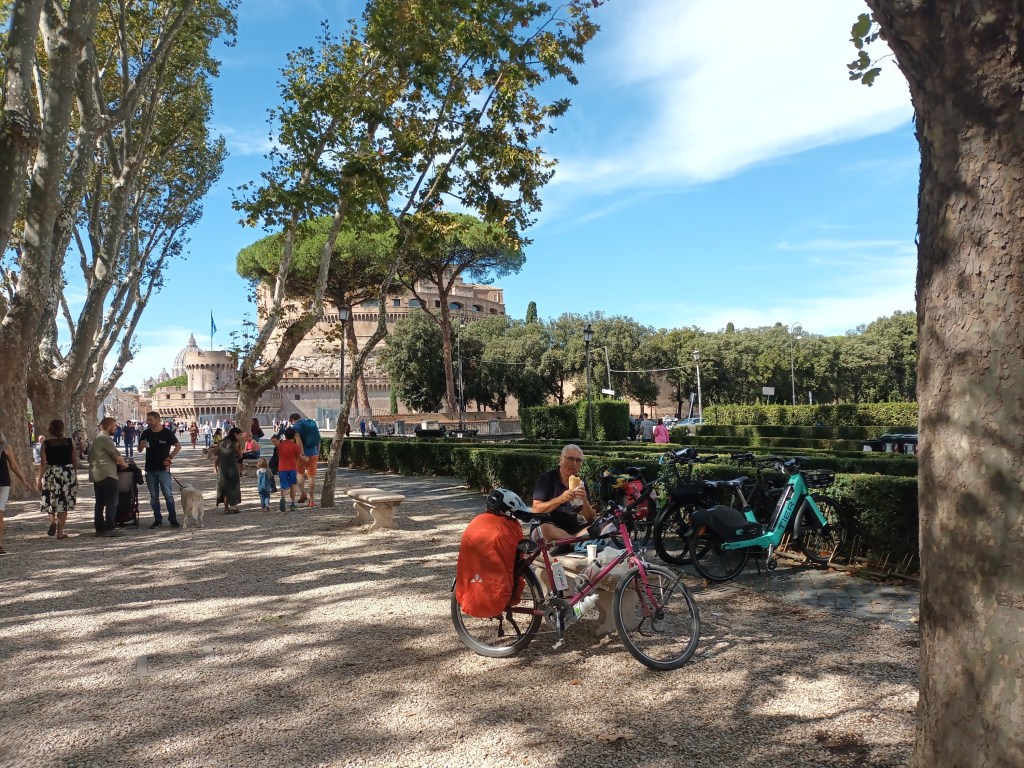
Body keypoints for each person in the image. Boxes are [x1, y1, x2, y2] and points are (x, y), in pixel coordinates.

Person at [531, 443, 596, 542]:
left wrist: (584, 500)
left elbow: (590, 518)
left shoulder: (580, 483)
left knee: (596, 525)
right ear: (561, 460)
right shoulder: (546, 479)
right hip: (548, 529)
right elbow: (536, 510)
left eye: (578, 460)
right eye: (570, 459)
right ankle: (574, 542)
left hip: (572, 530)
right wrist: (560, 499)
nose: (574, 463)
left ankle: (570, 541)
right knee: (546, 528)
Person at [138, 411, 181, 529]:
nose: (148, 422)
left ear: (158, 420)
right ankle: (157, 519)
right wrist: (141, 445)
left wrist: (170, 457)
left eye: (151, 420)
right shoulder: (146, 433)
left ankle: (173, 519)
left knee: (168, 495)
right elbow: (140, 450)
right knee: (154, 497)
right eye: (147, 420)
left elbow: (178, 446)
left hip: (163, 469)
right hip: (150, 469)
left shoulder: (167, 433)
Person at [37, 420, 78, 539]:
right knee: (64, 502)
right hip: (67, 473)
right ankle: (60, 533)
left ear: (50, 430)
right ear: (62, 429)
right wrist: (74, 474)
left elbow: (43, 464)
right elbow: (74, 459)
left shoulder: (46, 444)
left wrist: (39, 479)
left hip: (51, 473)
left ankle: (52, 521)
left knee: (50, 498)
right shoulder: (70, 442)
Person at [89, 417, 129, 537]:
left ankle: (99, 528)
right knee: (112, 502)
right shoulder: (105, 439)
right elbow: (116, 456)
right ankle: (110, 528)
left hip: (97, 474)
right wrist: (125, 465)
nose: (116, 429)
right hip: (107, 474)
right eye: (115, 426)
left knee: (99, 503)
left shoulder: (97, 439)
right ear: (109, 426)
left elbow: (90, 457)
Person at [0, 430, 33, 554]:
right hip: (3, 482)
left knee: (0, 514)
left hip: (3, 484)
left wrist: (24, 480)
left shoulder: (5, 447)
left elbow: (13, 465)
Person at [288, 412, 321, 508]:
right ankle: (312, 500)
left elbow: (298, 442)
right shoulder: (311, 424)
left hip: (302, 455)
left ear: (292, 420)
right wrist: (317, 452)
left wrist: (301, 454)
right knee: (312, 476)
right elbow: (318, 439)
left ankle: (303, 493)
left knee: (299, 474)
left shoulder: (295, 427)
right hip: (314, 453)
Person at [214, 427, 243, 514]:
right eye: (239, 435)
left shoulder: (221, 442)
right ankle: (234, 506)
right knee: (234, 486)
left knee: (224, 487)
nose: (240, 437)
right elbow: (240, 455)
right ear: (235, 434)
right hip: (232, 467)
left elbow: (216, 455)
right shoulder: (236, 443)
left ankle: (226, 508)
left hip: (222, 467)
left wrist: (215, 467)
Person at [276, 426, 302, 511]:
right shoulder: (294, 446)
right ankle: (292, 503)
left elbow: (279, 454)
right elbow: (300, 455)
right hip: (292, 467)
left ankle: (283, 498)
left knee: (283, 486)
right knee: (293, 485)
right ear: (293, 436)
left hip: (282, 468)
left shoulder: (280, 446)